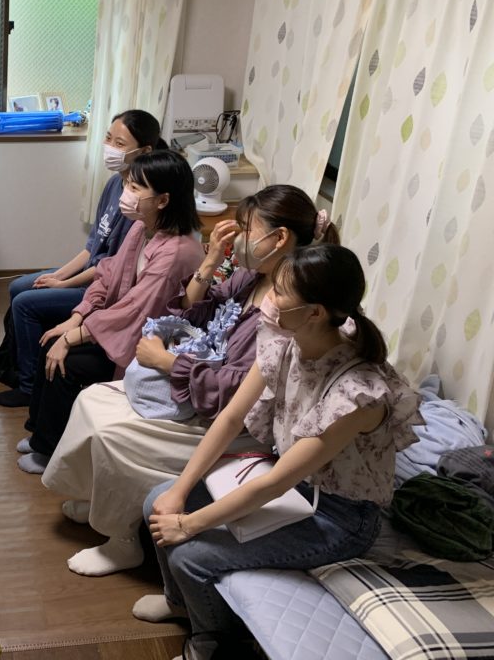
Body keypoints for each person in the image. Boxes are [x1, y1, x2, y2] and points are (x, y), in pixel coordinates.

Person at [136, 244, 421, 660]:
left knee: (192, 557)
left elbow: (275, 483)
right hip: (295, 488)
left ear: (315, 312)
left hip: (339, 517)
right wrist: (179, 491)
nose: (269, 297)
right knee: (156, 501)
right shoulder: (286, 341)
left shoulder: (356, 395)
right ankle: (179, 602)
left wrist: (189, 525)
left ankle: (212, 644)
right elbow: (230, 418)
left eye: (280, 291)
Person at [43, 185, 340, 577]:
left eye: (247, 228)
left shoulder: (287, 309)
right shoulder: (251, 277)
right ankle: (98, 498)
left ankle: (123, 539)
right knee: (92, 399)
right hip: (201, 387)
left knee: (114, 435)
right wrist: (212, 259)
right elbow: (194, 311)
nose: (239, 236)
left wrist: (169, 363)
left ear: (280, 237)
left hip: (232, 415)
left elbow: (238, 389)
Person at [17, 150, 205, 474]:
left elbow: (136, 311)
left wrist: (73, 337)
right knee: (50, 341)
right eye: (128, 185)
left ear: (163, 200)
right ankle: (40, 433)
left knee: (65, 363)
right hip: (120, 328)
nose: (126, 193)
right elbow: (107, 274)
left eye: (135, 188)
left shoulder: (176, 253)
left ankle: (49, 449)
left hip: (145, 344)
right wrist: (76, 318)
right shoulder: (142, 228)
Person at [0, 110, 168, 408]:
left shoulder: (140, 205)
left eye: (120, 143)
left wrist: (64, 284)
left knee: (24, 303)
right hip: (89, 274)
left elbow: (110, 269)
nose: (109, 147)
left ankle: (28, 386)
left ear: (145, 151)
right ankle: (14, 357)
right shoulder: (115, 185)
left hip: (100, 287)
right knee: (19, 285)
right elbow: (91, 248)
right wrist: (59, 275)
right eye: (108, 138)